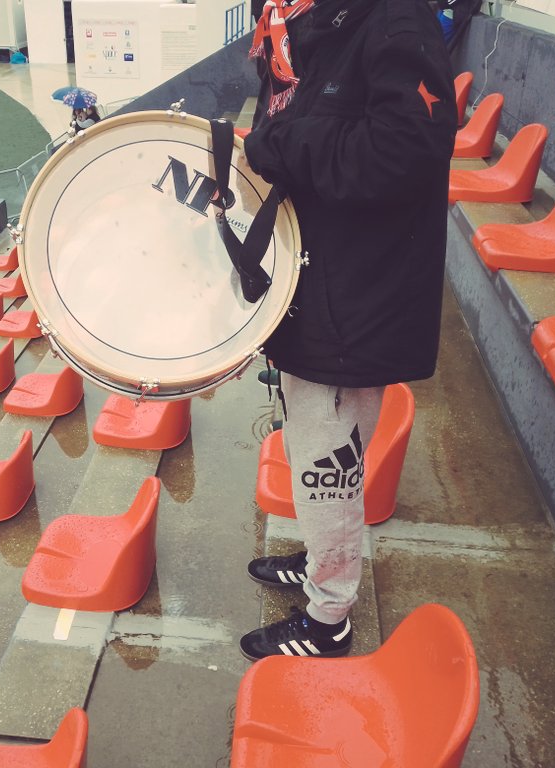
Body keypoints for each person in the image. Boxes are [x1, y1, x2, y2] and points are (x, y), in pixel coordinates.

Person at [233, 0, 457, 661]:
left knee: (329, 463)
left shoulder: (396, 21)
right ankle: (319, 559)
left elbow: (405, 148)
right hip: (319, 286)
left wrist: (282, 146)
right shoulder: (320, 21)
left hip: (356, 302)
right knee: (312, 455)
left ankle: (329, 620)